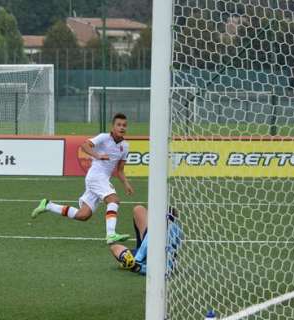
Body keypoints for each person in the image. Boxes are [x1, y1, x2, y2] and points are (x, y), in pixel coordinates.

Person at [31, 113, 134, 244]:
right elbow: (84, 145)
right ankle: (111, 234)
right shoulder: (104, 137)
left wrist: (126, 183)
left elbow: (119, 170)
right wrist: (97, 155)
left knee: (83, 215)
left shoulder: (125, 146)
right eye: (118, 125)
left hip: (101, 179)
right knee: (113, 200)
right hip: (96, 176)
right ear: (113, 126)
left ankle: (48, 205)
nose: (121, 127)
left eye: (124, 125)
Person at [109, 205, 182, 275]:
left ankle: (127, 260)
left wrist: (136, 265)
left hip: (147, 257)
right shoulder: (176, 230)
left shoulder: (154, 233)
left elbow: (141, 256)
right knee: (138, 209)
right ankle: (128, 259)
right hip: (149, 248)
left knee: (115, 248)